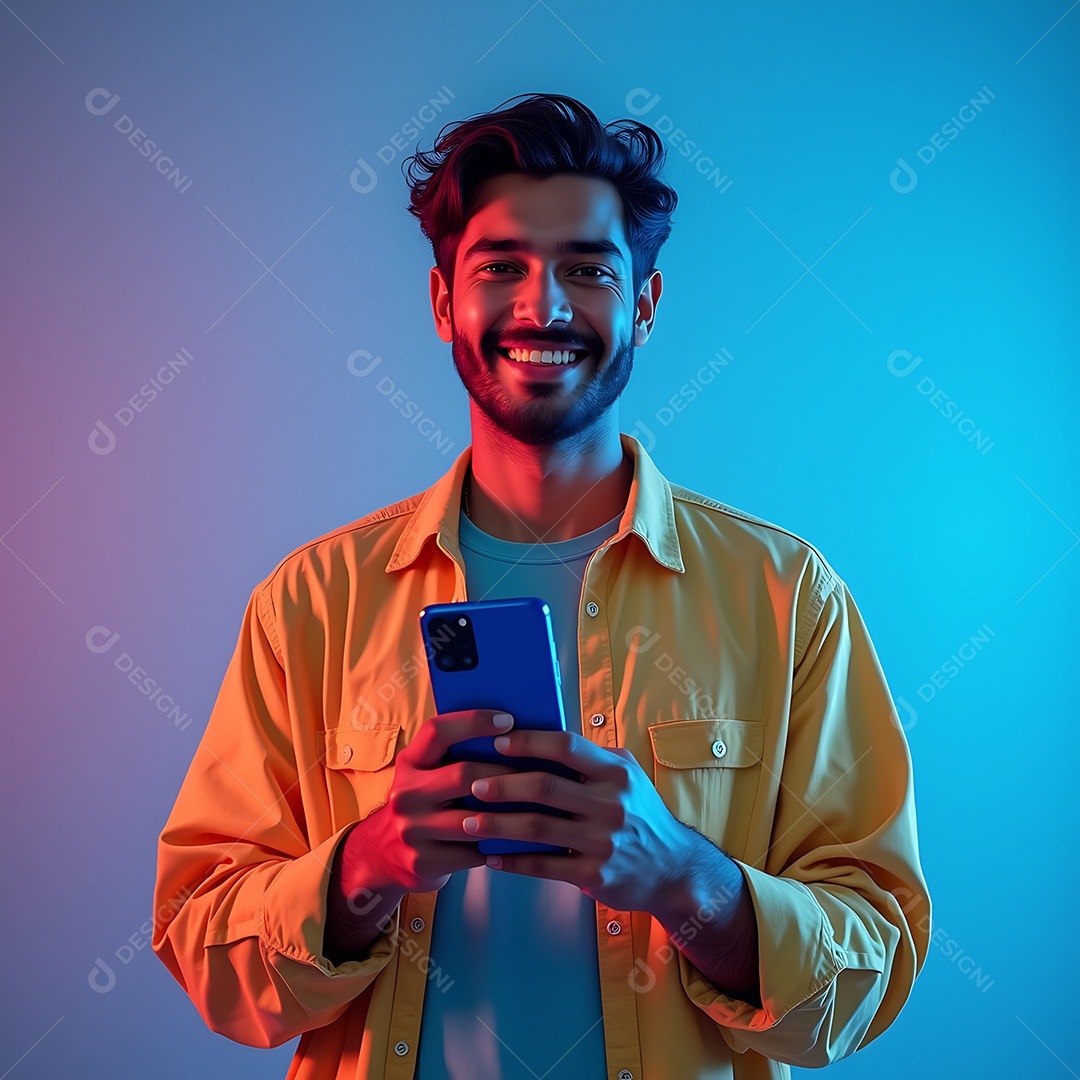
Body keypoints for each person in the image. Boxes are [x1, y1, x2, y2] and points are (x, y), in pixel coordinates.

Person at [152, 93, 930, 1080]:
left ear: (643, 305)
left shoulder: (788, 598)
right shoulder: (312, 602)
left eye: (586, 270)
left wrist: (684, 878)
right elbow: (201, 946)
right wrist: (368, 868)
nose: (544, 307)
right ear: (443, 303)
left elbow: (875, 964)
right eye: (502, 268)